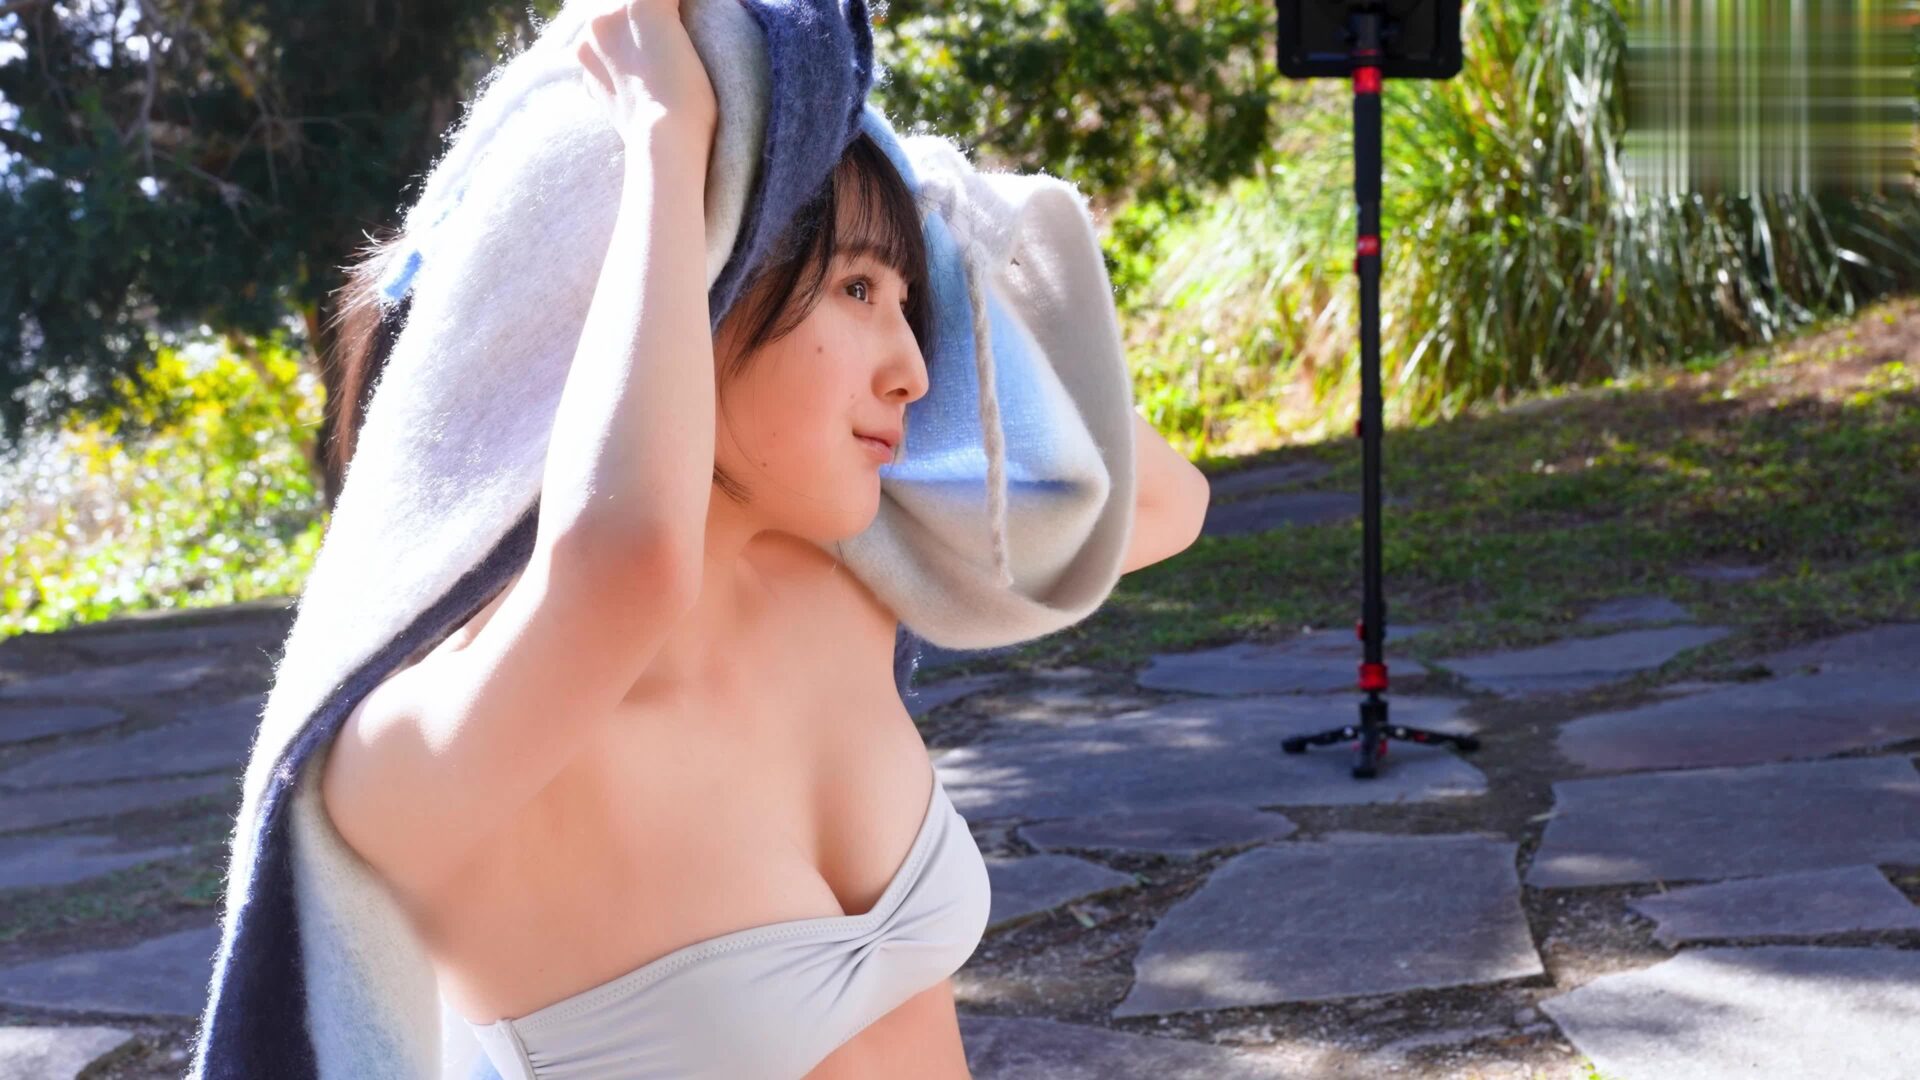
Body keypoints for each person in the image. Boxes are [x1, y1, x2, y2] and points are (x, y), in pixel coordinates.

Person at [313, 1, 1212, 1077]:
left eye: (908, 300)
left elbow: (1151, 506)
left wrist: (898, 192)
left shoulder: (831, 591)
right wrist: (665, 136)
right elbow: (628, 559)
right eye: (857, 288)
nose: (913, 371)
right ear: (680, 294)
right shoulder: (413, 748)